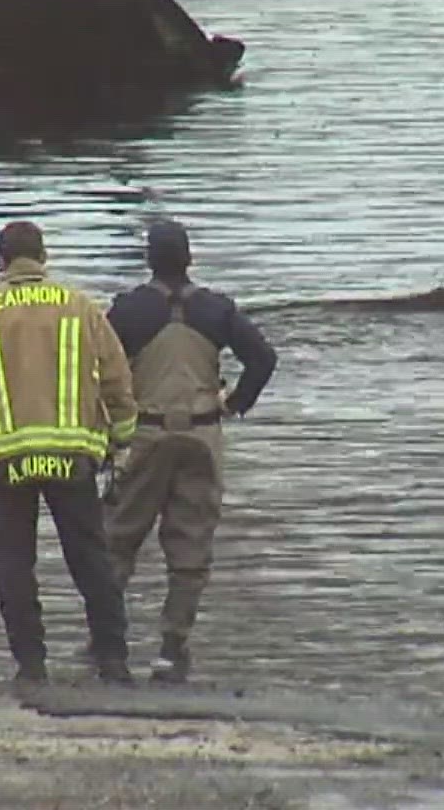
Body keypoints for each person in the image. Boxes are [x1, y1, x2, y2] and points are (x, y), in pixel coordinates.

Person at [0, 221, 141, 686]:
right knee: (90, 558)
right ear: (44, 259)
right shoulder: (80, 307)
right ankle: (113, 661)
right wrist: (122, 440)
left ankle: (31, 667)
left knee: (13, 563)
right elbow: (116, 378)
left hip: (4, 461)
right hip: (71, 457)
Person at [102, 220, 276, 684]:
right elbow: (263, 359)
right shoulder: (217, 310)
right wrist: (236, 403)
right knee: (190, 545)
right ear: (190, 258)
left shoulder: (127, 311)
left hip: (144, 435)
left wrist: (103, 434)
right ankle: (171, 648)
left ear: (149, 260)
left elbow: (96, 371)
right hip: (202, 435)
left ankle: (109, 645)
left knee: (118, 541)